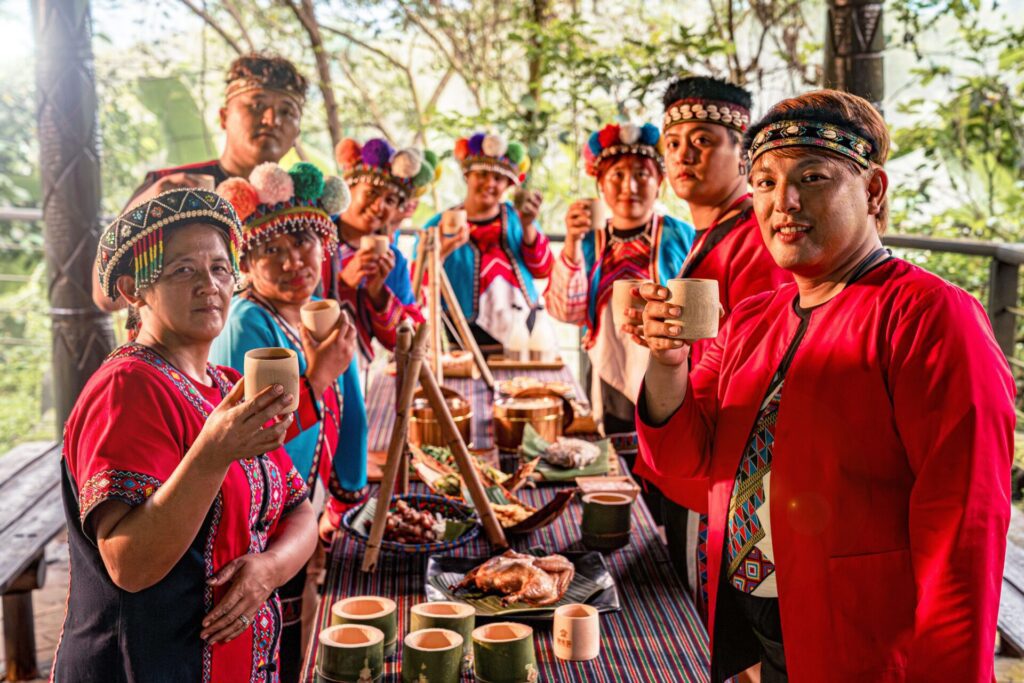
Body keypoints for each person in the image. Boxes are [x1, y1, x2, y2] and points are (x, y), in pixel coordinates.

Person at [637, 90, 1014, 681]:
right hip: (757, 625)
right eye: (762, 181)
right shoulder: (756, 316)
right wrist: (666, 364)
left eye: (811, 176)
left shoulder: (933, 316)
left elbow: (964, 530)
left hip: (860, 640)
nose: (782, 201)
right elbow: (688, 458)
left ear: (873, 190)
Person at [57, 189, 319, 681]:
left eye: (221, 269)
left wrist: (270, 570)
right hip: (147, 665)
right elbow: (129, 564)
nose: (209, 285)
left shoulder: (224, 385)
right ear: (135, 289)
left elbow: (298, 508)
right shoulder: (128, 386)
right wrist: (213, 454)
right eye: (183, 270)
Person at [624, 77, 791, 613]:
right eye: (672, 143)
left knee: (700, 627)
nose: (682, 155)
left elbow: (759, 372)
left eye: (703, 140)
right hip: (685, 449)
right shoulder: (715, 232)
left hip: (715, 468)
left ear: (743, 153)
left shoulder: (761, 241)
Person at [210, 162, 366, 682]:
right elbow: (248, 437)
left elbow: (351, 408)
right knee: (272, 627)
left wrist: (346, 497)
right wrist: (319, 377)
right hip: (261, 517)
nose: (292, 261)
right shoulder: (247, 322)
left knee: (299, 614)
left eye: (303, 243)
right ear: (245, 265)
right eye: (270, 251)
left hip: (302, 503)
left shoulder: (313, 314)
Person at [93, 52, 309, 313]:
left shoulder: (301, 203)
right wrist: (143, 208)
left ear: (298, 131)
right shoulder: (171, 188)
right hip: (177, 354)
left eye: (287, 111)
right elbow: (106, 298)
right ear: (224, 117)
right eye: (256, 106)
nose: (272, 120)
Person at [544, 121, 694, 435]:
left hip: (669, 371)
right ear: (600, 183)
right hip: (605, 375)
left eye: (642, 175)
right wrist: (571, 241)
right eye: (617, 176)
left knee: (663, 453)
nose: (630, 187)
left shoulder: (682, 236)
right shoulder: (588, 240)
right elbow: (566, 312)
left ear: (659, 183)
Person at [421, 132, 553, 351]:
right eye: (481, 174)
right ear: (467, 176)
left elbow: (543, 269)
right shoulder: (438, 225)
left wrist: (529, 225)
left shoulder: (518, 218)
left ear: (508, 184)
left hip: (522, 333)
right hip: (463, 332)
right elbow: (419, 283)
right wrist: (443, 252)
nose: (489, 183)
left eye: (499, 179)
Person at [321, 138, 432, 359]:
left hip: (360, 370)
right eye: (371, 193)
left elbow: (410, 341)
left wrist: (378, 293)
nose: (379, 206)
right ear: (350, 189)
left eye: (390, 200)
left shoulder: (393, 260)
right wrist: (342, 284)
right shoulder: (315, 241)